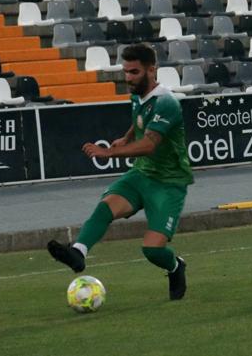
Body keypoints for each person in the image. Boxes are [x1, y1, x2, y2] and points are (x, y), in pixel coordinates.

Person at [47, 43, 194, 300]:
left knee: (152, 250)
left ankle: (175, 266)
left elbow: (149, 144)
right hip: (141, 175)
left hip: (168, 183)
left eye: (134, 72)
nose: (128, 78)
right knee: (105, 207)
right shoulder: (137, 95)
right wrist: (126, 138)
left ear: (152, 70)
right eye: (125, 71)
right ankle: (78, 252)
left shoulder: (167, 103)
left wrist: (109, 153)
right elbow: (139, 119)